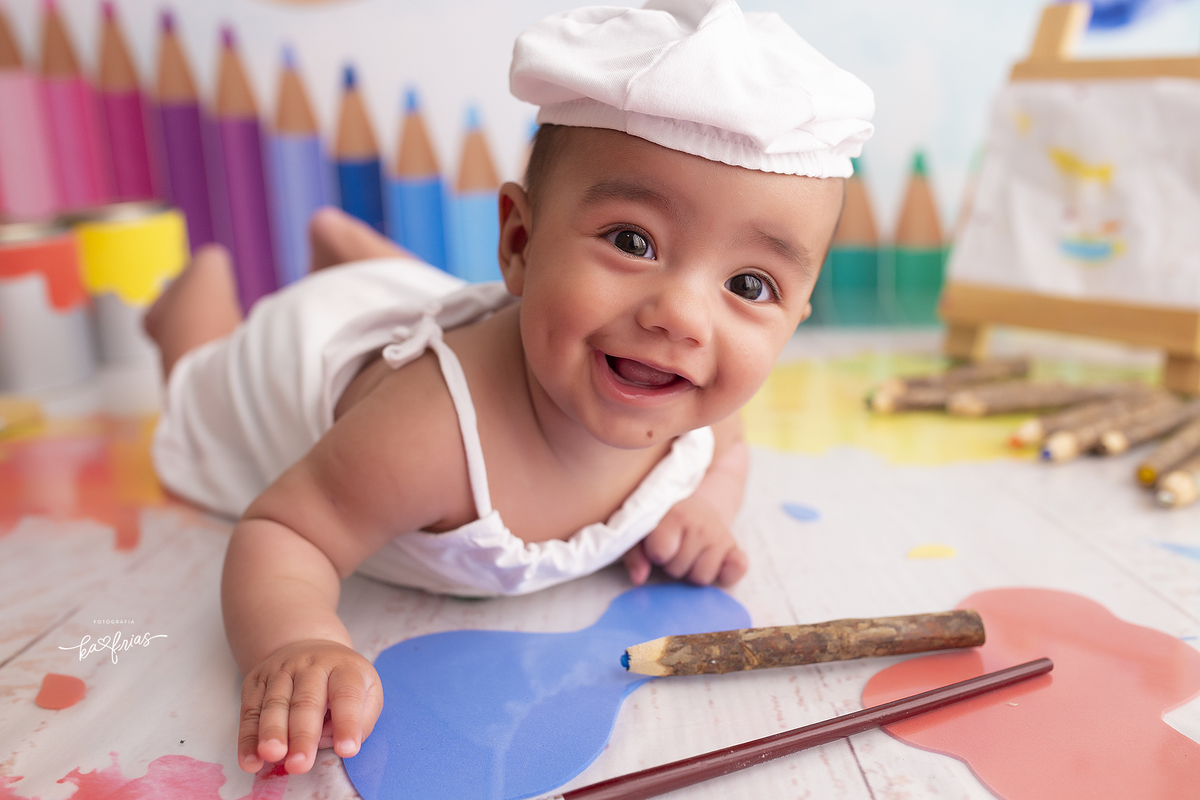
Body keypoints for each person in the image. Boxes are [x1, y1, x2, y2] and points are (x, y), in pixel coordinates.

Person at [145, 0, 873, 776]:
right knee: (200, 382)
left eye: (749, 284)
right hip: (298, 351)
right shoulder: (427, 437)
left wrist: (706, 508)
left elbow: (724, 449)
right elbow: (285, 532)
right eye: (634, 241)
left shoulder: (687, 408)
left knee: (415, 290)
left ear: (794, 318)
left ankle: (359, 257)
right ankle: (196, 299)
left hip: (433, 299)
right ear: (519, 242)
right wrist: (297, 640)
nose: (683, 318)